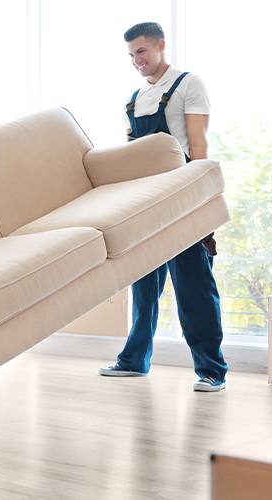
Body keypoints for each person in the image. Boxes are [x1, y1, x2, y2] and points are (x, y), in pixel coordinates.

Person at [98, 22, 228, 392]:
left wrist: (201, 203)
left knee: (193, 286)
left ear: (160, 46)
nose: (136, 61)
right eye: (131, 55)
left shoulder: (189, 84)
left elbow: (198, 146)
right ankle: (134, 361)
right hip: (145, 201)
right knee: (143, 285)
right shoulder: (133, 100)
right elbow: (131, 158)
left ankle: (212, 370)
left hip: (182, 197)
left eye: (141, 51)